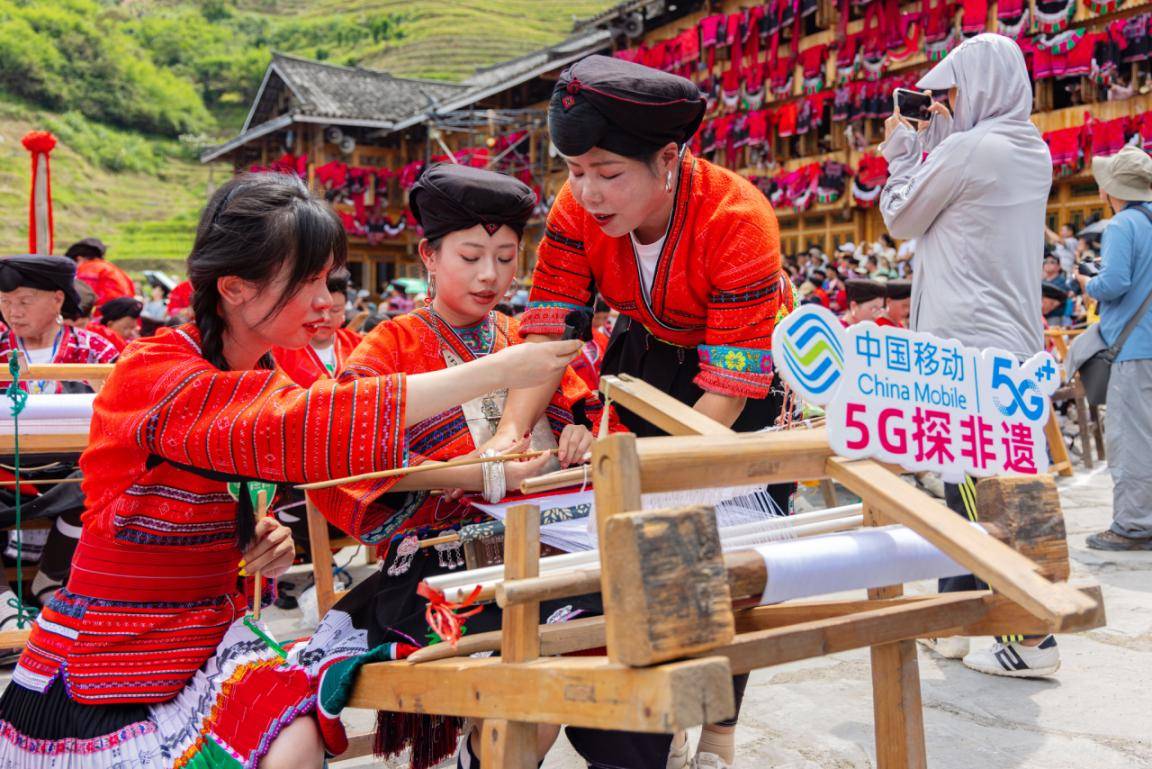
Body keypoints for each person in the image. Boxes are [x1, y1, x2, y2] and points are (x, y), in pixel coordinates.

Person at [0, 174, 581, 768]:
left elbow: (294, 434)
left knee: (297, 739)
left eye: (328, 280)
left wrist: (247, 538)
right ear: (234, 288)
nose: (326, 301)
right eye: (306, 282)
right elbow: (302, 425)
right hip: (116, 645)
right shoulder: (155, 369)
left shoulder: (278, 371)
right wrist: (500, 372)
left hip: (211, 629)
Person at [504, 54, 797, 769]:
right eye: (574, 170)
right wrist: (510, 432)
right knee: (620, 533)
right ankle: (638, 706)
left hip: (742, 373)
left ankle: (719, 726)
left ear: (668, 158)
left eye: (608, 173)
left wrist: (664, 473)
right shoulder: (576, 211)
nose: (588, 192)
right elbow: (550, 331)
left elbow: (726, 392)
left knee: (715, 551)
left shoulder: (737, 217)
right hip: (641, 360)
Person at [880, 33, 1058, 677]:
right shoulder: (1026, 147)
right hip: (1006, 341)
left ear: (980, 88)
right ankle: (960, 622)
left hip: (967, 347)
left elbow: (900, 218)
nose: (943, 106)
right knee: (988, 485)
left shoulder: (971, 148)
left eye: (951, 93)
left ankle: (1032, 640)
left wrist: (903, 151)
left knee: (983, 494)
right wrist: (933, 142)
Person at [0, 255, 121, 637]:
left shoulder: (94, 349)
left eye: (23, 300)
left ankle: (51, 582)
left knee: (109, 482)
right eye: (4, 302)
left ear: (56, 299)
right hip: (5, 470)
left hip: (74, 468)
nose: (12, 312)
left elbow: (128, 399)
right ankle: (2, 599)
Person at [1080, 146, 1152, 551]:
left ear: (1112, 189)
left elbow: (1114, 283)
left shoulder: (1122, 225)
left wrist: (1088, 284)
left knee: (1131, 438)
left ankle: (1133, 526)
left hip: (1134, 348)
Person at [273, 267, 363, 386]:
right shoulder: (280, 349)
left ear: (344, 312)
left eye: (335, 310)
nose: (326, 318)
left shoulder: (359, 345)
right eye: (319, 309)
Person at [64, 237, 136, 305]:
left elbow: (83, 298)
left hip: (107, 313)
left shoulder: (88, 269)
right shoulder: (111, 267)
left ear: (79, 259)